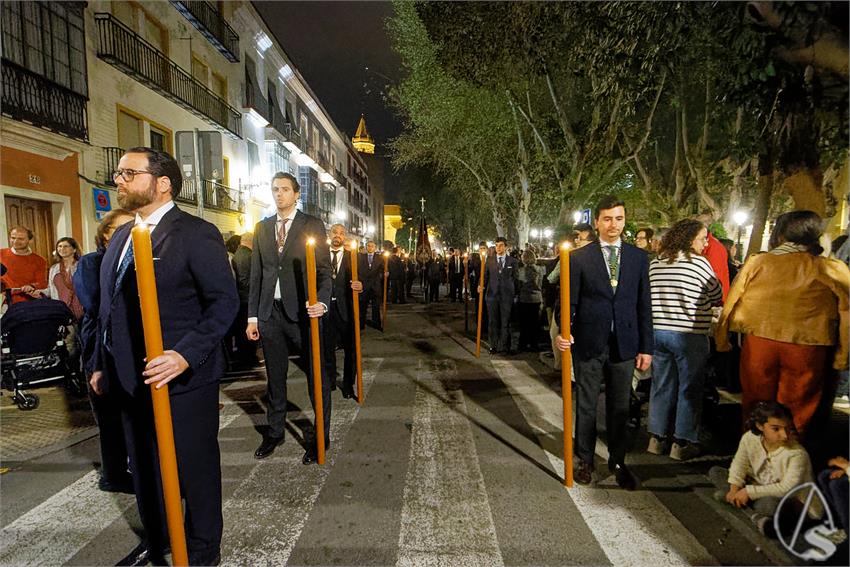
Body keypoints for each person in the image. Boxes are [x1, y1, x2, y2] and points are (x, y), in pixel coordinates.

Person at [93, 148, 237, 565]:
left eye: (129, 173)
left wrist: (183, 355)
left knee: (194, 470)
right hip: (128, 377)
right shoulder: (121, 237)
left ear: (162, 183)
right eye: (118, 172)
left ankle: (202, 551)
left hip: (183, 380)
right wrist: (102, 364)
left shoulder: (195, 233)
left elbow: (222, 303)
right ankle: (158, 542)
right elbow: (110, 308)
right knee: (146, 469)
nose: (118, 179)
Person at [715, 210, 849, 442]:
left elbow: (733, 299)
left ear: (780, 233)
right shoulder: (830, 267)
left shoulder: (760, 261)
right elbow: (846, 311)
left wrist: (722, 337)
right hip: (809, 345)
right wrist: (843, 353)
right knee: (799, 406)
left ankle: (754, 454)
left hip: (760, 341)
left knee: (756, 401)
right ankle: (788, 459)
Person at [554, 195, 653, 490]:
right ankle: (585, 459)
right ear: (596, 222)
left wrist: (646, 347)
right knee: (585, 403)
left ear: (625, 221)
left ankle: (618, 460)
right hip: (588, 341)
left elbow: (643, 305)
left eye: (619, 219)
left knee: (620, 406)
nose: (614, 225)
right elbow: (567, 301)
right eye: (607, 219)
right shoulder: (579, 258)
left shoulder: (638, 258)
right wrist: (564, 330)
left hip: (625, 342)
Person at [247, 171, 332, 465]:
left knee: (315, 376)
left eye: (285, 189)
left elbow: (324, 270)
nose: (279, 194)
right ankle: (275, 431)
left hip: (303, 314)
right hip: (271, 313)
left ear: (297, 194)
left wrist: (321, 302)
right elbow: (257, 275)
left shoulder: (311, 225)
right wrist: (253, 317)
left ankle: (320, 435)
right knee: (275, 378)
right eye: (275, 189)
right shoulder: (262, 228)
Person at [647, 219, 722, 460]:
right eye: (702, 238)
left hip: (658, 332)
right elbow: (716, 294)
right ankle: (682, 442)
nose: (705, 243)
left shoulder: (656, 263)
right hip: (688, 334)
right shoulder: (699, 263)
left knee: (661, 386)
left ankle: (656, 439)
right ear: (690, 239)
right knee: (689, 389)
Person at [74, 208, 135, 494]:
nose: (127, 234)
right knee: (108, 413)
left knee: (128, 412)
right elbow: (95, 304)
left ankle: (131, 466)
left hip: (124, 343)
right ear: (105, 233)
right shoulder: (91, 263)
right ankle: (112, 474)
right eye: (120, 229)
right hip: (99, 343)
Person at [708, 401, 821, 537]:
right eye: (776, 429)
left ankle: (747, 510)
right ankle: (748, 508)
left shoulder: (797, 454)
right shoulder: (750, 438)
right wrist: (734, 488)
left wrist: (748, 492)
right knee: (716, 472)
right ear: (760, 426)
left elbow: (788, 489)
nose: (784, 435)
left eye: (788, 428)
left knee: (768, 504)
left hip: (793, 501)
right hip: (760, 486)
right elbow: (739, 463)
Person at [324, 224, 364, 400]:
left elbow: (363, 279)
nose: (337, 236)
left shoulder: (353, 258)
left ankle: (348, 385)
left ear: (345, 237)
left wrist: (360, 285)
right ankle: (330, 379)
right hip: (326, 309)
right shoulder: (319, 256)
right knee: (327, 348)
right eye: (335, 232)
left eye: (341, 233)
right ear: (329, 234)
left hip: (346, 309)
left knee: (351, 349)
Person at [481, 237, 518, 354]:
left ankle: (505, 345)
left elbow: (516, 279)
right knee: (493, 321)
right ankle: (493, 345)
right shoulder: (489, 260)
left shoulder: (513, 261)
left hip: (506, 296)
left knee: (505, 321)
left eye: (501, 245)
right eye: (496, 245)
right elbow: (484, 276)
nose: (498, 248)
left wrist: (515, 294)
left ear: (506, 247)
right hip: (492, 295)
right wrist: (480, 285)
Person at [39, 237, 84, 321]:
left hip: (81, 308)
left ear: (74, 249)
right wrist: (39, 292)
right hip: (61, 309)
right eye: (59, 246)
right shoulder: (54, 268)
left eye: (66, 246)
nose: (62, 249)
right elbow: (51, 290)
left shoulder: (82, 266)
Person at [1, 226, 47, 304]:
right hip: (4, 302)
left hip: (29, 303)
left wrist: (32, 286)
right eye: (13, 238)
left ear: (30, 240)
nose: (15, 241)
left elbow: (42, 283)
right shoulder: (1, 254)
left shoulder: (39, 260)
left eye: (20, 239)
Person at [231, 232, 257, 368]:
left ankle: (245, 356)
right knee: (245, 332)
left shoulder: (239, 254)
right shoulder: (247, 255)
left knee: (242, 331)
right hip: (246, 300)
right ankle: (247, 358)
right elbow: (244, 280)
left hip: (241, 299)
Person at [516, 248, 545, 352]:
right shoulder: (540, 270)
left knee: (524, 323)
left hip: (524, 298)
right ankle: (534, 344)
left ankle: (523, 344)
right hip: (537, 298)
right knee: (535, 323)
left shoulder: (521, 271)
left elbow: (519, 286)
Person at [360, 240, 383, 330]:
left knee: (376, 306)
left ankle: (376, 323)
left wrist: (383, 274)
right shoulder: (361, 257)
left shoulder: (380, 258)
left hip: (375, 286)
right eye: (368, 246)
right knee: (363, 306)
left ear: (375, 248)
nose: (370, 247)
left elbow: (383, 269)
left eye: (372, 246)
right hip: (364, 285)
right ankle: (361, 324)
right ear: (366, 247)